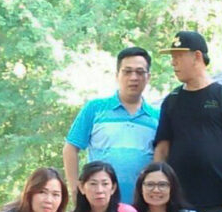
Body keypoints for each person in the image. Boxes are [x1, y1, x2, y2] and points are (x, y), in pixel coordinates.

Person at [153, 30, 222, 212]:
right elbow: (162, 150)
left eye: (178, 56)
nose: (173, 63)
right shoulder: (172, 101)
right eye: (172, 57)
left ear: (197, 56)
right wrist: (157, 190)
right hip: (180, 206)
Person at [63, 46, 159, 204]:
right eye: (127, 71)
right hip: (99, 205)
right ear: (117, 75)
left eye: (140, 72)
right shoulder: (95, 108)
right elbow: (71, 148)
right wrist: (75, 190)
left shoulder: (158, 117)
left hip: (141, 205)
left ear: (148, 77)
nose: (133, 77)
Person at [132, 162, 215, 212]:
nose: (156, 190)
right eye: (150, 184)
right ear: (140, 188)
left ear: (172, 189)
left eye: (162, 185)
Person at [69, 161, 146, 212]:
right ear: (81, 187)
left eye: (105, 184)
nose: (99, 190)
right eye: (93, 184)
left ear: (113, 188)